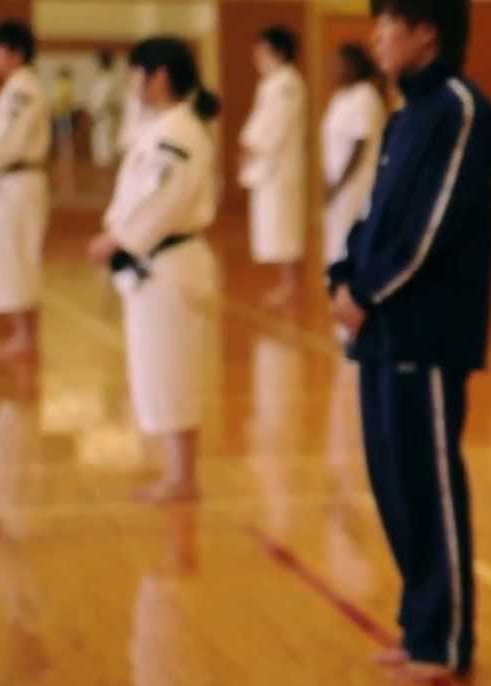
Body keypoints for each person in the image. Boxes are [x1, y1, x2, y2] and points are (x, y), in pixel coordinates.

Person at [327, 0, 491, 680]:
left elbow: (430, 227)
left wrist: (365, 293)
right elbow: (376, 217)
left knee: (428, 483)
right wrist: (341, 272)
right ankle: (418, 625)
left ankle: (445, 640)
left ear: (426, 32)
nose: (375, 37)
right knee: (392, 480)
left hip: (425, 331)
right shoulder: (404, 115)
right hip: (382, 328)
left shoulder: (459, 108)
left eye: (386, 24)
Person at [86, 36, 220, 504]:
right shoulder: (164, 126)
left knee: (171, 368)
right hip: (156, 265)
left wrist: (118, 238)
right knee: (157, 369)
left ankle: (183, 477)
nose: (132, 84)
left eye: (136, 74)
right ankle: (176, 472)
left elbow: (162, 200)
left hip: (170, 262)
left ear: (159, 76)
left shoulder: (178, 132)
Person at [239, 25, 307, 307]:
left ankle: (292, 286)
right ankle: (285, 284)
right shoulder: (272, 82)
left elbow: (277, 127)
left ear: (278, 52)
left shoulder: (287, 83)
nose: (257, 55)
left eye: (262, 49)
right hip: (268, 166)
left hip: (279, 167)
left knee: (284, 227)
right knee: (274, 227)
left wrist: (254, 147)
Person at [0, 20, 50, 364]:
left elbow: (6, 140)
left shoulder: (22, 90)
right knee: (13, 256)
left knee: (16, 256)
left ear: (15, 53)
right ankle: (23, 331)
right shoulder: (15, 88)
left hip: (18, 179)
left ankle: (24, 333)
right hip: (15, 179)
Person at [322, 43, 385, 267]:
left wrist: (338, 184)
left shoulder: (365, 95)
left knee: (351, 239)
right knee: (336, 240)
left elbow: (359, 146)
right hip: (338, 182)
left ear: (352, 66)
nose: (332, 68)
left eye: (337, 63)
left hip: (357, 182)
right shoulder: (339, 97)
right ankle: (337, 290)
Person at [88, 50, 123, 168]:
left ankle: (108, 164)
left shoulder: (112, 79)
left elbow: (114, 101)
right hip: (98, 115)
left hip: (107, 115)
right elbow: (94, 99)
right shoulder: (101, 79)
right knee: (99, 140)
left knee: (107, 140)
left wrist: (105, 110)